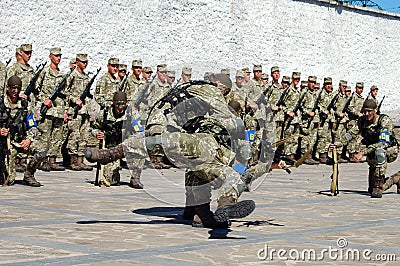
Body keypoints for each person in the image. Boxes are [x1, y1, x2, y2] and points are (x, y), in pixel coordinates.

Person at [85, 78, 276, 228]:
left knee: (189, 163)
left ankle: (207, 211)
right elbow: (237, 138)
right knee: (232, 176)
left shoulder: (199, 104)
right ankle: (219, 206)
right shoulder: (217, 107)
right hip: (203, 146)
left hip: (197, 151)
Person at [341, 99, 399, 198]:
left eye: (369, 111)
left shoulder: (384, 121)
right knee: (371, 189)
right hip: (372, 151)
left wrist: (362, 153)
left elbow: (383, 143)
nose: (367, 114)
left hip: (389, 150)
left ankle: (379, 186)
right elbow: (351, 134)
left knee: (379, 152)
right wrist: (338, 143)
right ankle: (396, 179)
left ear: (375, 110)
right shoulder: (362, 121)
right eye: (364, 111)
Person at [90, 91, 143, 188]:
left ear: (126, 102)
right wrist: (97, 134)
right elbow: (94, 127)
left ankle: (135, 179)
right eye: (117, 104)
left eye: (122, 104)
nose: (120, 107)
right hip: (111, 147)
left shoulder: (132, 113)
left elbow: (139, 132)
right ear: (113, 103)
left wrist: (129, 142)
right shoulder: (104, 113)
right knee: (111, 181)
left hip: (127, 144)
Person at [35, 47, 69, 171]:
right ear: (50, 56)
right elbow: (36, 89)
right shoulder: (44, 72)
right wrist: (44, 100)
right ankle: (42, 161)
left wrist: (65, 111)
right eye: (56, 56)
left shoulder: (63, 75)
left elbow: (66, 95)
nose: (58, 58)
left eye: (60, 56)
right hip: (48, 110)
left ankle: (52, 160)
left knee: (57, 136)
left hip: (58, 111)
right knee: (45, 136)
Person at [0, 76, 36, 186]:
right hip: (5, 145)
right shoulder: (1, 104)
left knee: (40, 149)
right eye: (13, 88)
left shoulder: (25, 105)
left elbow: (33, 126)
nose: (16, 91)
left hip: (20, 142)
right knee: (8, 180)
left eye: (18, 88)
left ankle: (29, 175)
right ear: (7, 87)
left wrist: (29, 139)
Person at [65, 53, 93, 171]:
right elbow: (65, 92)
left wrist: (89, 108)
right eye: (83, 62)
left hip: (85, 111)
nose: (85, 64)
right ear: (77, 62)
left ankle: (81, 160)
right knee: (74, 136)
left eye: (86, 62)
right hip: (75, 111)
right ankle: (73, 161)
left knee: (84, 136)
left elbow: (87, 95)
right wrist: (74, 100)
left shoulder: (86, 77)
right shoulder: (72, 75)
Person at [315, 77, 335, 163]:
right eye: (327, 84)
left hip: (328, 120)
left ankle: (326, 155)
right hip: (322, 120)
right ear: (324, 85)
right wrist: (323, 111)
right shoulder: (320, 94)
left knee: (328, 138)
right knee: (322, 138)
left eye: (330, 84)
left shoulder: (330, 94)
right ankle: (322, 156)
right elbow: (317, 105)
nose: (329, 86)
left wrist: (333, 119)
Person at [346, 82, 365, 163]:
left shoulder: (361, 98)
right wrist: (357, 113)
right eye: (359, 88)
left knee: (357, 138)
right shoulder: (353, 97)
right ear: (356, 88)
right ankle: (351, 154)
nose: (360, 90)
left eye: (361, 88)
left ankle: (355, 154)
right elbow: (349, 108)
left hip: (359, 122)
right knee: (351, 138)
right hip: (352, 121)